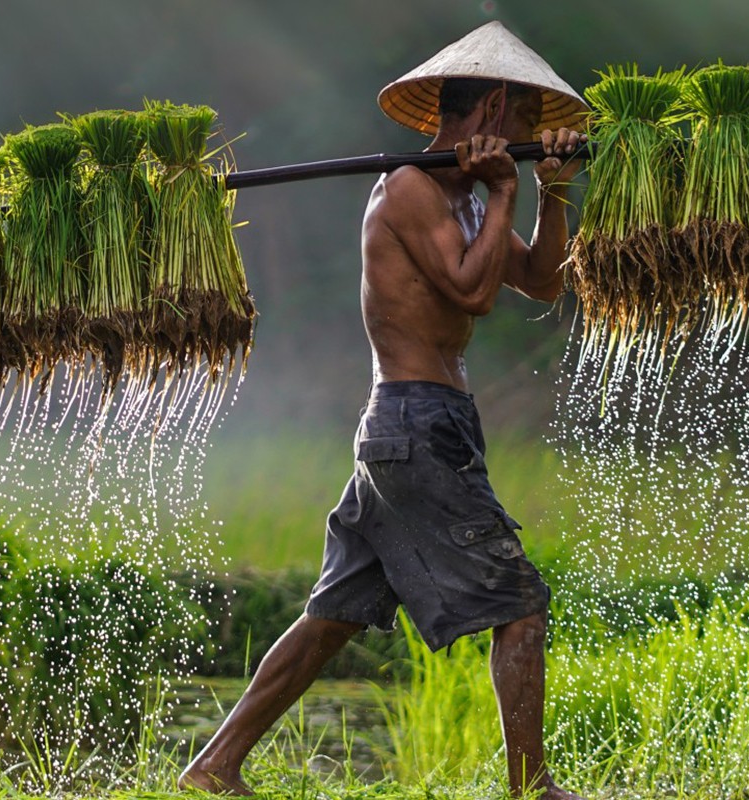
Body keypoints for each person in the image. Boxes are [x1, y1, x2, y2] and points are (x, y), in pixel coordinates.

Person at [178, 22, 588, 799]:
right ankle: (532, 789)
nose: (535, 135)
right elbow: (471, 292)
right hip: (416, 425)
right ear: (495, 105)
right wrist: (506, 189)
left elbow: (540, 280)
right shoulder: (408, 187)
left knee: (332, 617)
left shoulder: (469, 201)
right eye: (530, 119)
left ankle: (212, 766)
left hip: (421, 429)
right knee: (522, 607)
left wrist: (550, 191)